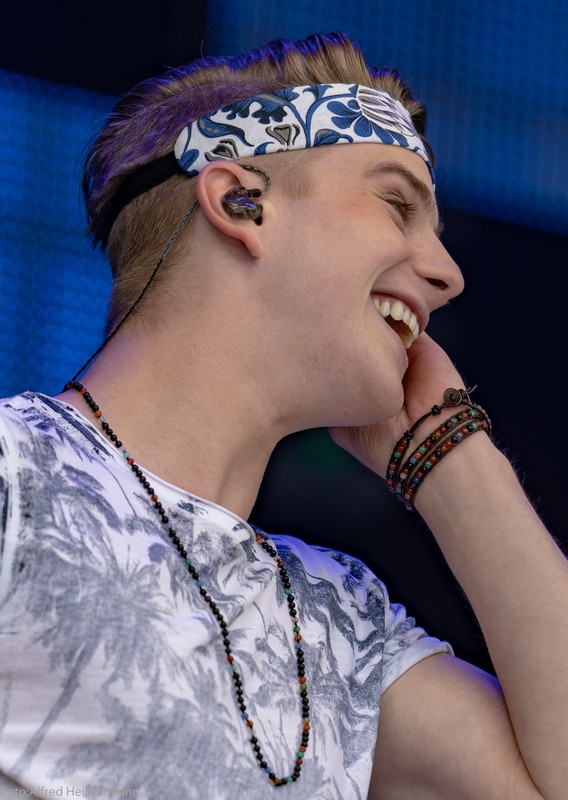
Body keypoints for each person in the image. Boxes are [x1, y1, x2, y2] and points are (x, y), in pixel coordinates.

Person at [0, 30, 566, 800]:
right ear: (244, 203)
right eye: (397, 204)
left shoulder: (340, 628)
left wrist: (448, 451)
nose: (447, 273)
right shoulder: (18, 476)